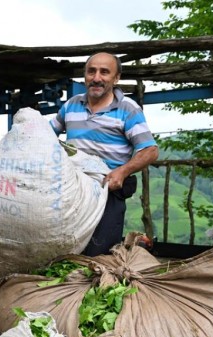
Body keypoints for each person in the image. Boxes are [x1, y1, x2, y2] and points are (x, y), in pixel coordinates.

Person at [50, 52, 159, 256]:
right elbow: (47, 134)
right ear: (85, 76)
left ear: (116, 78)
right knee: (65, 250)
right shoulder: (72, 105)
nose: (97, 78)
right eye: (91, 71)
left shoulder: (127, 109)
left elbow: (150, 150)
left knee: (98, 255)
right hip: (72, 191)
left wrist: (122, 172)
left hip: (106, 191)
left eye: (104, 72)